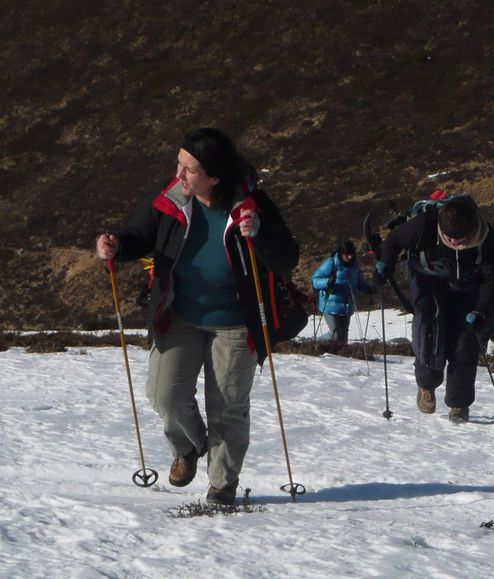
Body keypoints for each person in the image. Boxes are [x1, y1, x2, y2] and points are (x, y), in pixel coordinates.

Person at [95, 127, 299, 505]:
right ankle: (189, 448)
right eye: (179, 164)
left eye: (189, 169)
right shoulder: (173, 197)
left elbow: (287, 258)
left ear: (215, 177)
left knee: (228, 404)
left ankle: (222, 484)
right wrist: (117, 245)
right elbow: (141, 234)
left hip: (237, 322)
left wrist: (261, 233)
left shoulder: (252, 205)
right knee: (164, 395)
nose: (179, 175)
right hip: (180, 314)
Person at [376, 194, 494, 423]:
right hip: (427, 280)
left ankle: (459, 403)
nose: (456, 243)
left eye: (461, 239)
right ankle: (427, 384)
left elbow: (492, 277)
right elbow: (394, 240)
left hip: (465, 286)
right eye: (450, 238)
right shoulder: (425, 223)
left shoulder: (484, 235)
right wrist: (386, 263)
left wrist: (481, 311)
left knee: (465, 340)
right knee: (429, 331)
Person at [311, 239, 375, 343]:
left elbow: (359, 282)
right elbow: (315, 280)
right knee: (336, 336)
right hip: (329, 306)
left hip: (346, 307)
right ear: (340, 253)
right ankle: (320, 344)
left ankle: (335, 354)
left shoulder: (355, 266)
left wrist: (368, 289)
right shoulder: (331, 263)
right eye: (346, 254)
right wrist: (327, 282)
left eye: (351, 254)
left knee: (343, 340)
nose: (349, 257)